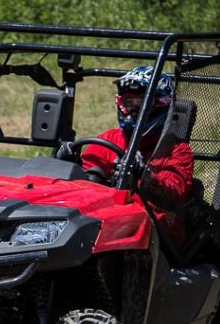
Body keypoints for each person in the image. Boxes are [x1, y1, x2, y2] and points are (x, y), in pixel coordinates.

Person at [68, 66, 194, 245]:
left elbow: (174, 195)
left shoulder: (177, 150)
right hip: (107, 230)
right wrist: (69, 163)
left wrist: (144, 175)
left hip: (156, 240)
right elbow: (86, 175)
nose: (134, 110)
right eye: (129, 102)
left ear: (161, 104)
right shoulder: (109, 139)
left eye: (142, 104)